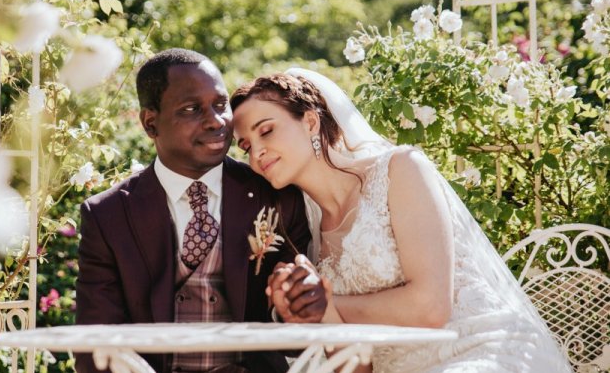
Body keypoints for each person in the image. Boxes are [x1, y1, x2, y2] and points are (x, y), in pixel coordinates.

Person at [230, 68, 572, 373]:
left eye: (267, 131)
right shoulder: (302, 238)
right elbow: (354, 365)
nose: (256, 152)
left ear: (310, 121)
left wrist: (328, 303)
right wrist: (308, 313)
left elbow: (431, 307)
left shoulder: (401, 170)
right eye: (245, 146)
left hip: (480, 351)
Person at [75, 49, 325, 373]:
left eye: (220, 105)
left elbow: (294, 337)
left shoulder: (276, 196)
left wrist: (296, 309)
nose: (216, 121)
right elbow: (95, 345)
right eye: (192, 109)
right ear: (151, 123)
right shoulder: (107, 216)